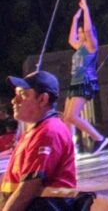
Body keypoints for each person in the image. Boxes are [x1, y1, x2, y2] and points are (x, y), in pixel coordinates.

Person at [2, 72, 80, 211]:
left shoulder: (48, 132)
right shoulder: (35, 130)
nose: (14, 100)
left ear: (43, 99)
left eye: (22, 94)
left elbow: (27, 190)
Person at [62, 0, 108, 155]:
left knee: (72, 116)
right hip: (75, 83)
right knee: (67, 118)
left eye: (82, 32)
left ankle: (99, 138)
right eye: (79, 32)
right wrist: (75, 19)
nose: (80, 34)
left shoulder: (91, 46)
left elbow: (88, 30)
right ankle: (70, 148)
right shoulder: (79, 46)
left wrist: (86, 9)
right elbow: (70, 39)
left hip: (85, 82)